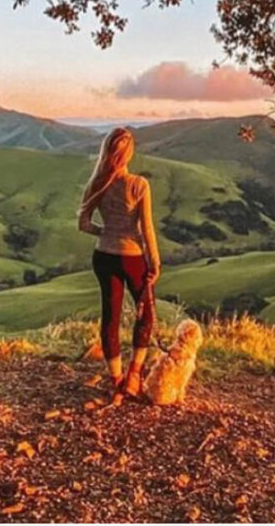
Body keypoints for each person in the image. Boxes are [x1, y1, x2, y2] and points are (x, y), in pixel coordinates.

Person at [77, 126, 161, 398]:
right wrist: (155, 262)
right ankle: (134, 374)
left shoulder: (96, 183)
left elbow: (84, 224)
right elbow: (147, 229)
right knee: (145, 313)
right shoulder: (139, 184)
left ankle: (116, 379)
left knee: (110, 317)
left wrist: (107, 231)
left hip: (103, 256)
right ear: (129, 153)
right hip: (132, 257)